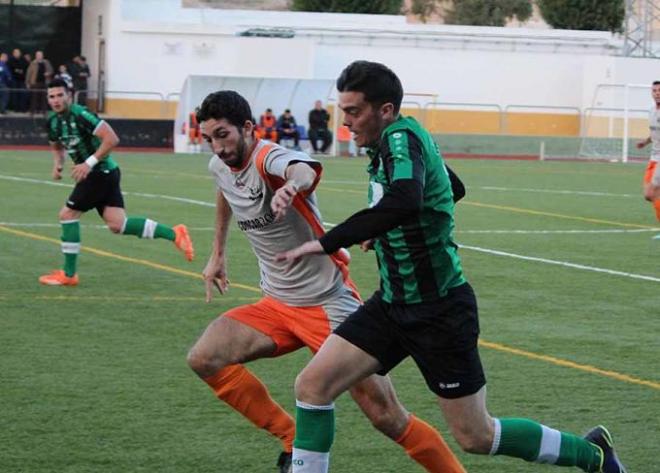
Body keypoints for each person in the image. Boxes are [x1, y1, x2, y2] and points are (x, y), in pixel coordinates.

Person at [276, 61, 627, 473]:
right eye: (343, 110)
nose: (346, 122)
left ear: (385, 110)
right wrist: (385, 227)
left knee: (476, 436)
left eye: (353, 112)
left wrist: (327, 241)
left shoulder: (401, 139)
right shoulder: (400, 139)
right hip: (392, 304)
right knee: (313, 385)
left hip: (438, 310)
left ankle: (594, 456)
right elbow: (449, 188)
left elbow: (406, 198)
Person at [187, 90, 467, 473]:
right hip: (276, 305)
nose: (217, 147)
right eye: (209, 139)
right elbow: (226, 191)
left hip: (327, 306)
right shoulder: (220, 165)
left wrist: (291, 186)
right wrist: (217, 252)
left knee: (387, 417)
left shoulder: (269, 158)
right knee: (204, 357)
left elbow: (303, 169)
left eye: (223, 135)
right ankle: (290, 437)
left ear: (248, 128)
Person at [38, 79, 194, 286]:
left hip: (99, 173)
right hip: (106, 173)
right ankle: (174, 233)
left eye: (60, 95)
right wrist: (58, 164)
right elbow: (57, 146)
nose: (56, 100)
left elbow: (111, 138)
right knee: (118, 225)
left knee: (67, 215)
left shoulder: (81, 114)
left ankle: (68, 275)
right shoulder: (53, 122)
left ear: (69, 95)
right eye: (52, 96)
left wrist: (88, 163)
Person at [636, 80, 660, 238]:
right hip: (654, 157)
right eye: (654, 91)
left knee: (653, 192)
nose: (657, 93)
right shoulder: (651, 111)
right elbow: (655, 134)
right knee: (648, 194)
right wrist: (645, 142)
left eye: (659, 91)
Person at [26, 50, 53, 115]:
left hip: (45, 82)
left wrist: (48, 73)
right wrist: (27, 82)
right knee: (34, 98)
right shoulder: (33, 63)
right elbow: (28, 73)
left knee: (44, 98)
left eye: (40, 55)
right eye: (38, 55)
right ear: (36, 56)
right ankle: (33, 111)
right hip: (35, 82)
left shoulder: (46, 62)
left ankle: (44, 111)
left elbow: (51, 70)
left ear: (42, 56)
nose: (39, 56)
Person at [8, 48, 28, 112]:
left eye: (18, 52)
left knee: (23, 94)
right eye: (15, 53)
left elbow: (25, 68)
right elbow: (11, 69)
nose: (17, 54)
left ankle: (22, 108)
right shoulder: (10, 60)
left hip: (22, 80)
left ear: (20, 53)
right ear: (13, 53)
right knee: (15, 94)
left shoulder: (23, 60)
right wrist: (18, 70)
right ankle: (16, 109)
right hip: (14, 80)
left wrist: (18, 70)